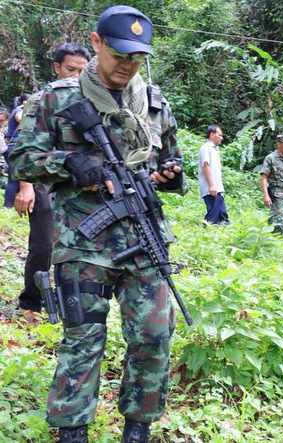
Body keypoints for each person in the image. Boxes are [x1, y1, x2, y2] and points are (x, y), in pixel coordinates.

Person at [10, 6, 186, 442]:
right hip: (82, 242)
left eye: (136, 57)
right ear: (96, 43)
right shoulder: (57, 98)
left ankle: (138, 427)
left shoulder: (154, 104)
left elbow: (168, 161)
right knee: (82, 342)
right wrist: (68, 162)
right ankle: (72, 431)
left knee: (153, 337)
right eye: (119, 54)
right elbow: (18, 159)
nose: (127, 65)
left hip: (144, 241)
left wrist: (170, 175)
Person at [15, 43, 90, 315]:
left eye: (82, 71)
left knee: (77, 247)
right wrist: (26, 188)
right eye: (70, 69)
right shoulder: (42, 99)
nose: (75, 76)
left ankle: (70, 302)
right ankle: (31, 302)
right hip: (43, 180)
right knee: (43, 244)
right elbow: (23, 150)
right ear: (57, 67)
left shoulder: (91, 99)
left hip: (77, 185)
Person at [198, 124, 229, 225]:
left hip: (217, 188)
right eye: (219, 135)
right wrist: (211, 185)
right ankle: (205, 226)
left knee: (222, 215)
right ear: (212, 134)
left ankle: (217, 231)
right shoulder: (206, 148)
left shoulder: (214, 149)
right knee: (214, 215)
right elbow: (205, 166)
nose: (221, 138)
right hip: (211, 188)